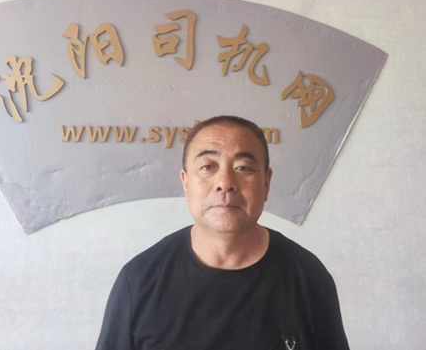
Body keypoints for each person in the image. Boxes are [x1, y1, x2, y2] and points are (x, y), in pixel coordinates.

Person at [95, 115, 350, 350]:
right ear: (186, 183)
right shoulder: (139, 280)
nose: (225, 183)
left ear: (266, 182)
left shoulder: (309, 278)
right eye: (208, 167)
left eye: (243, 167)